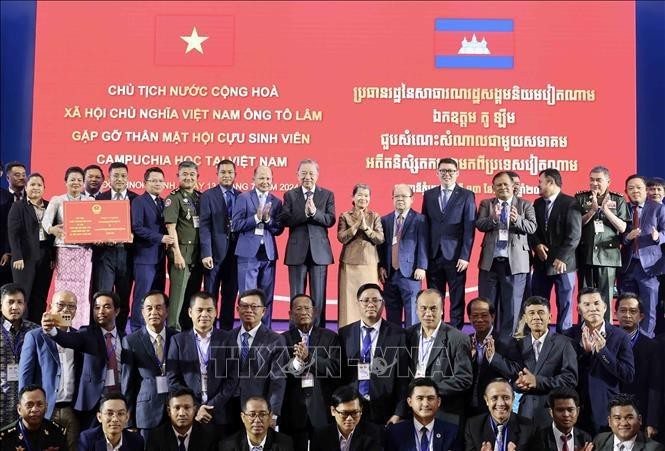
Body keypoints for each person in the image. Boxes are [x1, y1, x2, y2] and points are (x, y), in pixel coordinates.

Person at [487, 296, 578, 427]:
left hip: (553, 413)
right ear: (525, 318)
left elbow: (570, 379)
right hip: (525, 415)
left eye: (541, 312)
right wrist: (493, 358)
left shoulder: (564, 343)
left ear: (550, 316)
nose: (536, 317)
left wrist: (537, 381)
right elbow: (516, 374)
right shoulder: (519, 344)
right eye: (531, 313)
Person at [43, 290, 126, 429]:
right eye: (97, 307)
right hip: (90, 404)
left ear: (116, 311)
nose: (101, 311)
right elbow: (67, 339)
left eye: (106, 307)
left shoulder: (126, 339)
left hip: (118, 401)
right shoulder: (86, 332)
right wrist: (52, 331)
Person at [563, 288, 635, 434]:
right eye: (587, 304)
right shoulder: (568, 335)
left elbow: (628, 375)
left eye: (596, 303)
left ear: (605, 307)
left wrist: (603, 352)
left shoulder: (620, 336)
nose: (592, 308)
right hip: (575, 410)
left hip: (606, 410)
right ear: (578, 309)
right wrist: (584, 353)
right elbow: (565, 373)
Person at [476, 171, 537, 338]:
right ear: (493, 188)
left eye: (506, 184)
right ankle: (486, 343)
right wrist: (494, 219)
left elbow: (532, 227)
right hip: (491, 263)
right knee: (487, 306)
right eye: (499, 185)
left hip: (515, 265)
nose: (503, 187)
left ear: (513, 187)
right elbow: (480, 224)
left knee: (512, 308)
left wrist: (517, 219)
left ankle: (508, 345)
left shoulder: (525, 205)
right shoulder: (486, 204)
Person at [219, 288, 288, 435]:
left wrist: (273, 413)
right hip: (227, 408)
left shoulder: (275, 340)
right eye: (244, 306)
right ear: (237, 309)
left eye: (254, 306)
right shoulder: (227, 337)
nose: (249, 310)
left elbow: (278, 380)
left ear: (264, 311)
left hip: (257, 411)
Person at [338, 283, 408, 426]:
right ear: (358, 303)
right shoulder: (345, 333)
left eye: (375, 300)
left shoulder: (398, 334)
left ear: (383, 304)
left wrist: (399, 412)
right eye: (366, 300)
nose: (371, 304)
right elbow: (341, 376)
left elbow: (403, 378)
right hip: (352, 410)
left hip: (385, 411)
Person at [19, 291, 81, 451]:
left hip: (72, 410)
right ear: (50, 307)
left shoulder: (79, 337)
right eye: (60, 305)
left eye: (71, 306)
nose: (66, 310)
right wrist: (25, 409)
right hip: (44, 409)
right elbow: (25, 377)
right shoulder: (34, 336)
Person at [279, 159, 336, 327]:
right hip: (296, 253)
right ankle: (294, 335)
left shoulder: (327, 194)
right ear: (297, 175)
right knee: (296, 297)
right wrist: (305, 214)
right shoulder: (290, 195)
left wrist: (314, 213)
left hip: (320, 253)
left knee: (318, 298)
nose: (307, 177)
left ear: (317, 175)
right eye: (303, 173)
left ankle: (319, 335)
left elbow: (330, 219)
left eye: (311, 173)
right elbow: (285, 219)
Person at [281, 294, 341, 451]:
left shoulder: (330, 337)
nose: (303, 312)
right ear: (290, 314)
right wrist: (297, 362)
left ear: (315, 312)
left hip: (322, 408)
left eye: (307, 308)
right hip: (292, 411)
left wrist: (309, 358)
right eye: (298, 309)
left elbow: (334, 368)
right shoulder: (282, 340)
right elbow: (280, 374)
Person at [421, 157, 476, 329]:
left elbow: (469, 228)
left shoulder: (467, 195)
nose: (447, 174)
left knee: (456, 298)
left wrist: (465, 256)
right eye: (443, 171)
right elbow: (425, 227)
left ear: (457, 173)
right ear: (437, 173)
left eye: (451, 171)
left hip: (456, 257)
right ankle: (436, 332)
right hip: (433, 255)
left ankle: (455, 334)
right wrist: (424, 258)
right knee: (434, 298)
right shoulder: (429, 195)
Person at [406, 288, 473, 426]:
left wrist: (431, 390)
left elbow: (464, 378)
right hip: (411, 411)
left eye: (433, 308)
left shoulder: (458, 338)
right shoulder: (406, 335)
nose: (428, 313)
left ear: (442, 310)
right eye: (423, 308)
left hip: (445, 412)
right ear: (417, 310)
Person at [529, 168, 582, 332]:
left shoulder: (570, 203)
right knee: (538, 303)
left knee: (565, 304)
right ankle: (538, 337)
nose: (538, 185)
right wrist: (536, 245)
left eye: (540, 182)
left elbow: (574, 235)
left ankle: (563, 340)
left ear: (550, 182)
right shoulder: (537, 203)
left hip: (564, 265)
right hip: (541, 264)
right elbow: (532, 230)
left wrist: (562, 257)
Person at [166, 292, 229, 429]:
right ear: (190, 312)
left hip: (219, 415)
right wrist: (196, 407)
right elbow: (173, 379)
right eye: (199, 310)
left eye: (209, 310)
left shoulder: (227, 339)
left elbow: (232, 379)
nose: (204, 314)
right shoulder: (178, 341)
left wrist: (211, 407)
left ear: (216, 312)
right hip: (189, 415)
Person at [575, 166, 629, 322]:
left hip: (608, 257)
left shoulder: (617, 199)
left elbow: (623, 227)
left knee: (604, 299)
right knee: (585, 298)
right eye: (591, 179)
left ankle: (607, 334)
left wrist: (606, 210)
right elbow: (575, 225)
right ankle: (584, 332)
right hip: (585, 255)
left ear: (608, 181)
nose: (594, 183)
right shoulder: (580, 198)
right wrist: (592, 211)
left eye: (598, 180)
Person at [41, 166, 94, 328]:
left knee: (84, 291)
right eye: (72, 179)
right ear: (65, 182)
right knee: (64, 287)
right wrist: (52, 229)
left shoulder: (90, 201)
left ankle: (80, 327)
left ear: (83, 183)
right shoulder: (58, 200)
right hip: (64, 250)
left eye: (79, 180)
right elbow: (45, 222)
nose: (76, 183)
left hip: (85, 252)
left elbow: (96, 224)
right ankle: (61, 326)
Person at [121, 290, 178, 440]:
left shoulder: (177, 337)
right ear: (142, 312)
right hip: (146, 413)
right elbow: (128, 382)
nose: (154, 312)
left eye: (159, 307)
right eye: (149, 308)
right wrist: (129, 420)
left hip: (175, 411)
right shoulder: (131, 341)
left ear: (167, 311)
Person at [232, 165, 284, 328]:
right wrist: (256, 218)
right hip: (248, 254)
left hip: (268, 254)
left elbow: (278, 229)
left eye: (268, 178)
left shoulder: (276, 201)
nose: (265, 181)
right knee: (248, 298)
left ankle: (266, 334)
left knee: (266, 298)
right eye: (261, 178)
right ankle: (247, 333)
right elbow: (236, 225)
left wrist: (268, 220)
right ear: (253, 180)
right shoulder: (244, 198)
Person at [92, 162, 138, 332]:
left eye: (123, 176)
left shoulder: (136, 199)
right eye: (115, 176)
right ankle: (101, 333)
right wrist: (98, 237)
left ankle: (119, 333)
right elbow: (93, 227)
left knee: (123, 297)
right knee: (103, 295)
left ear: (128, 178)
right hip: (105, 255)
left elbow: (140, 227)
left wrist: (134, 236)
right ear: (109, 178)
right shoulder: (100, 199)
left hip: (127, 254)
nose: (119, 179)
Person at [620, 174, 665, 338]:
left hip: (650, 267)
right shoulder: (623, 208)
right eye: (631, 188)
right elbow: (618, 235)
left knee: (649, 307)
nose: (635, 191)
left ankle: (646, 341)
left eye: (638, 187)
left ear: (645, 190)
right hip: (628, 265)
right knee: (627, 307)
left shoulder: (658, 208)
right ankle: (627, 341)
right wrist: (627, 237)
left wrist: (658, 237)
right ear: (626, 192)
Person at [130, 167, 174, 332]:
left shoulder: (164, 203)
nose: (157, 184)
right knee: (142, 296)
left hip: (160, 258)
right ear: (145, 183)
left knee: (157, 296)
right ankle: (136, 329)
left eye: (160, 181)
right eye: (154, 180)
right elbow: (137, 227)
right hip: (144, 258)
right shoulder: (139, 201)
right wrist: (160, 238)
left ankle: (155, 329)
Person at [378, 183, 428, 328]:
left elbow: (423, 244)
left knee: (412, 316)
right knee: (392, 317)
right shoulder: (385, 220)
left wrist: (421, 266)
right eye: (397, 196)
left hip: (411, 274)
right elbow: (381, 246)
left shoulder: (420, 220)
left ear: (412, 199)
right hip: (390, 274)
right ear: (392, 199)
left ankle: (411, 348)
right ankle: (395, 348)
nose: (400, 199)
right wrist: (380, 266)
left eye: (404, 196)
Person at [7, 173, 54, 324]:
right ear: (26, 187)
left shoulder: (49, 206)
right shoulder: (18, 206)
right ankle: (20, 328)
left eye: (39, 185)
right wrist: (17, 255)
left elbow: (53, 235)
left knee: (40, 295)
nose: (35, 187)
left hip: (45, 255)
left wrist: (53, 257)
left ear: (44, 188)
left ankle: (36, 327)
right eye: (32, 184)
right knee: (23, 294)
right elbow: (13, 233)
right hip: (24, 257)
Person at [199, 159, 240, 331]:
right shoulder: (208, 195)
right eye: (223, 172)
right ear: (217, 174)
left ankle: (226, 332)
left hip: (235, 254)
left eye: (230, 172)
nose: (227, 175)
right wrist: (206, 252)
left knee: (230, 296)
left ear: (235, 175)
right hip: (214, 255)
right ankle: (208, 331)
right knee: (211, 295)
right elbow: (205, 225)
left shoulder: (241, 196)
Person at [336, 183, 384, 327]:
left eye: (366, 195)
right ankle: (347, 333)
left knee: (369, 299)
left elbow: (380, 238)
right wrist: (356, 226)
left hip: (369, 264)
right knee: (349, 301)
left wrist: (366, 228)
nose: (363, 198)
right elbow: (341, 237)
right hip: (349, 264)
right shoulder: (345, 215)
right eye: (360, 195)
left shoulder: (374, 216)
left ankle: (370, 329)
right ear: (353, 197)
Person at [615, 293, 662, 438]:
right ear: (616, 314)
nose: (627, 315)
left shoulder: (653, 347)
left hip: (639, 415)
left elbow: (655, 386)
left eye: (633, 311)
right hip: (610, 414)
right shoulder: (605, 343)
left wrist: (652, 421)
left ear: (641, 316)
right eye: (623, 310)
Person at [165, 161, 204, 331]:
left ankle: (188, 332)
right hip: (182, 255)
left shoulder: (200, 197)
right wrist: (177, 254)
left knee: (192, 297)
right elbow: (170, 229)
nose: (188, 178)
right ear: (178, 177)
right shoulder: (173, 198)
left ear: (197, 177)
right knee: (177, 298)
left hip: (197, 255)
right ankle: (173, 331)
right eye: (184, 174)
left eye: (192, 175)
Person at [464, 378, 540, 451]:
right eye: (494, 398)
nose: (501, 403)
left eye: (506, 397)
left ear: (513, 399)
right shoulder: (473, 426)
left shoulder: (529, 429)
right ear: (486, 400)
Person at [0, 283, 39, 426]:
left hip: (28, 404)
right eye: (10, 302)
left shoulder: (35, 331)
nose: (15, 307)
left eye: (19, 302)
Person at [386, 377, 459, 451]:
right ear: (410, 402)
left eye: (430, 398)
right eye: (420, 398)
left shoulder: (452, 432)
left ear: (438, 402)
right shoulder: (395, 432)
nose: (425, 404)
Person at [310, 385, 383, 451]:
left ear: (361, 410)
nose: (349, 418)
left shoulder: (373, 433)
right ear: (333, 411)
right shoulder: (320, 435)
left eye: (355, 413)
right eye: (344, 413)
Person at [145, 387, 217, 451]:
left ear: (194, 409)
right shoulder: (156, 437)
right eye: (177, 408)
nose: (182, 413)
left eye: (187, 407)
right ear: (169, 411)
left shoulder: (208, 436)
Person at [0, 384, 68, 451]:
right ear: (19, 409)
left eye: (39, 404)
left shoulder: (58, 432)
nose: (35, 409)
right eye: (29, 405)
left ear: (46, 407)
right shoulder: (5, 437)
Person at [467, 297, 504, 417]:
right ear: (469, 318)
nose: (479, 319)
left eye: (484, 315)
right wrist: (469, 359)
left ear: (492, 317)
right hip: (466, 407)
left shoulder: (506, 341)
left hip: (492, 407)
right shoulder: (465, 341)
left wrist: (493, 358)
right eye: (475, 316)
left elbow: (514, 372)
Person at [592, 394, 665, 451]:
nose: (623, 423)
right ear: (609, 421)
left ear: (639, 420)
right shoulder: (599, 440)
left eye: (629, 417)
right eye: (618, 418)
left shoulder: (654, 448)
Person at [220, 396, 295, 451]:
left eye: (262, 414)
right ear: (243, 417)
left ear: (270, 416)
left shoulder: (284, 443)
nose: (257, 420)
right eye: (252, 415)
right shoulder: (228, 446)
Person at [78, 393, 144, 451]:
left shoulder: (136, 441)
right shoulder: (87, 439)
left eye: (120, 413)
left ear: (127, 417)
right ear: (99, 417)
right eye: (109, 413)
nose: (115, 419)